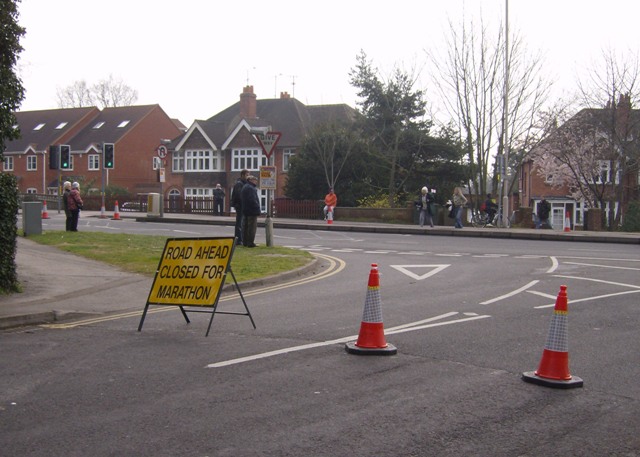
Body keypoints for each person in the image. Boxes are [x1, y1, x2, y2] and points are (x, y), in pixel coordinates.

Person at [241, 175, 261, 247]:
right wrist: (257, 207)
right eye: (255, 180)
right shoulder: (251, 188)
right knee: (252, 228)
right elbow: (252, 200)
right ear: (250, 180)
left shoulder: (245, 187)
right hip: (252, 211)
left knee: (245, 227)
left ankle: (245, 242)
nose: (256, 181)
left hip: (246, 210)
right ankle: (250, 242)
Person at [231, 169, 249, 244]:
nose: (248, 177)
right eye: (247, 175)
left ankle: (241, 239)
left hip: (243, 206)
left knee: (242, 222)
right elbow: (239, 196)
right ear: (242, 175)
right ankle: (238, 240)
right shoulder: (239, 184)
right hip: (240, 206)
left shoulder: (245, 183)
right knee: (239, 223)